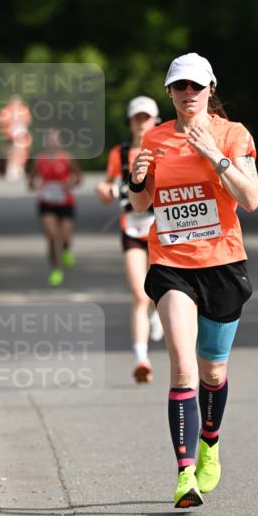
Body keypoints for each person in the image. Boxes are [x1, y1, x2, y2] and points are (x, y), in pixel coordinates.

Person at [129, 53, 258, 508]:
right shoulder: (155, 138)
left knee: (213, 371)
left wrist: (214, 155)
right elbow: (143, 205)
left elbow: (252, 198)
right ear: (169, 92)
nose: (188, 94)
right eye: (180, 87)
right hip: (171, 264)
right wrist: (136, 180)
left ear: (210, 90)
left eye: (196, 87)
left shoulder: (233, 134)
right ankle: (185, 474)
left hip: (223, 263)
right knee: (183, 366)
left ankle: (210, 442)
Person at [96, 96, 164, 384]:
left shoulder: (164, 149)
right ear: (130, 121)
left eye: (146, 117)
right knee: (139, 294)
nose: (141, 123)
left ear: (155, 120)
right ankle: (141, 358)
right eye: (137, 117)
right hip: (132, 230)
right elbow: (108, 183)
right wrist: (104, 189)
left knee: (159, 291)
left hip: (163, 230)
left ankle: (157, 312)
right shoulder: (119, 153)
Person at [28, 129, 82, 286]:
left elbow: (78, 178)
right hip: (46, 203)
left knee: (65, 236)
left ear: (59, 142)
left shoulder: (67, 158)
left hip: (65, 203)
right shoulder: (39, 160)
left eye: (54, 139)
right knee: (51, 236)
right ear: (45, 142)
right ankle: (56, 269)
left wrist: (69, 184)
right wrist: (37, 184)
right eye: (49, 139)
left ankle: (66, 249)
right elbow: (31, 182)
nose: (52, 142)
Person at [0, 94, 32, 181]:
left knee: (22, 152)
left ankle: (20, 169)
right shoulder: (7, 110)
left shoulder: (23, 109)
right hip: (10, 135)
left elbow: (27, 121)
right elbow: (2, 121)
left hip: (21, 135)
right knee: (11, 152)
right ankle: (11, 170)